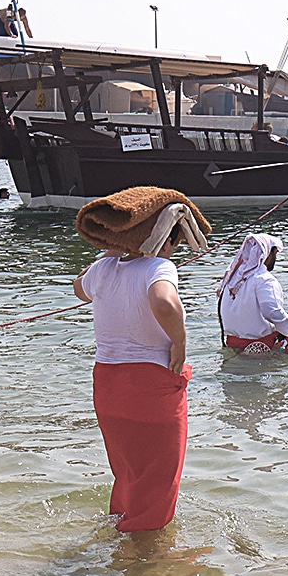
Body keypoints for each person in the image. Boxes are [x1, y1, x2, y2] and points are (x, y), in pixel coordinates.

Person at [73, 191, 210, 533]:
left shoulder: (103, 269)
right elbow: (163, 302)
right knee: (160, 478)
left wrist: (112, 252)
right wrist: (179, 343)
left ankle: (119, 539)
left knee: (129, 471)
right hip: (150, 384)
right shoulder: (160, 266)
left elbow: (79, 288)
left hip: (107, 384)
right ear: (165, 239)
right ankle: (148, 561)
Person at [217, 233, 288, 354]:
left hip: (233, 348)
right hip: (262, 349)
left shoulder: (232, 278)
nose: (275, 258)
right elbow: (271, 310)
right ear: (267, 254)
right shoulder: (264, 279)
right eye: (275, 254)